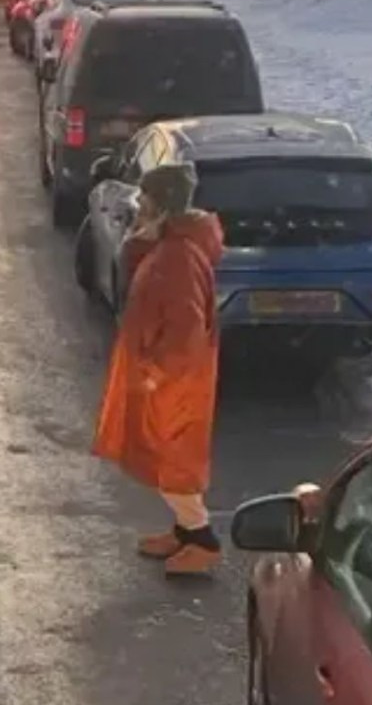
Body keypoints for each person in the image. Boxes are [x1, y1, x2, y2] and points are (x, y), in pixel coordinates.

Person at [91, 163, 227, 577]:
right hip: (163, 376)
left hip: (172, 382)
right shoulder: (170, 245)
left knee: (172, 462)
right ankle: (185, 532)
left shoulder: (180, 257)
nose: (138, 205)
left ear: (161, 203)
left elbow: (183, 329)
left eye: (145, 199)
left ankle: (202, 539)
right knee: (161, 456)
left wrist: (155, 374)